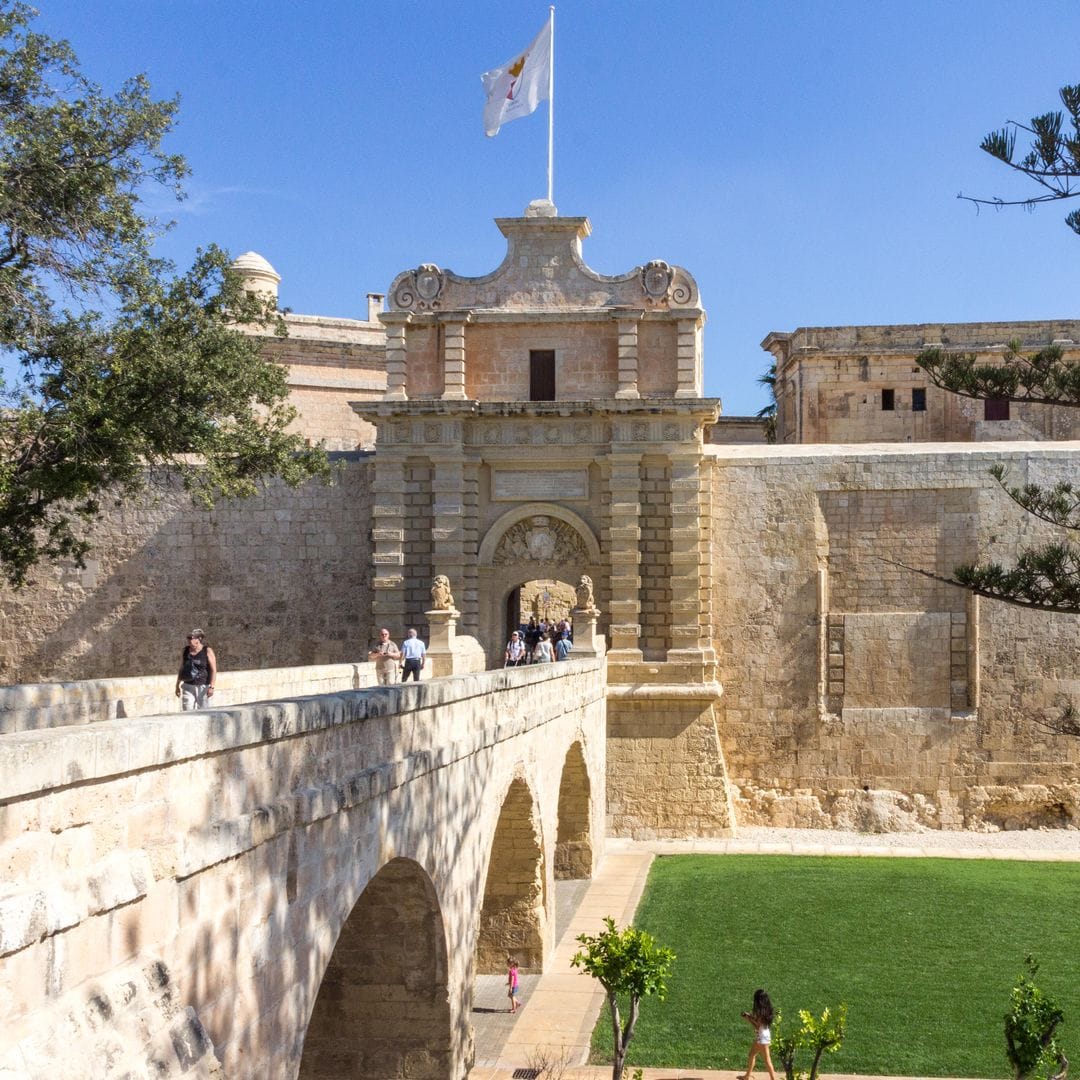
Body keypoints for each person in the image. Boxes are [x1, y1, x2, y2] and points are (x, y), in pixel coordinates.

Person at [739, 989, 778, 1080]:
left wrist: (748, 1019)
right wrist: (750, 1016)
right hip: (765, 1035)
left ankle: (772, 1079)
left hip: (762, 1038)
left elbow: (757, 1026)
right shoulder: (768, 1010)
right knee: (752, 1054)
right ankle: (747, 1076)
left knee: (767, 1060)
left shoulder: (760, 1011)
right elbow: (760, 1023)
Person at [175, 629, 216, 710]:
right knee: (187, 709)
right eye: (188, 638)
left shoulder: (207, 651)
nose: (189, 640)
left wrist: (212, 687)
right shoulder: (185, 651)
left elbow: (213, 670)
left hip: (203, 686)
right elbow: (181, 668)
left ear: (199, 639)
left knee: (204, 711)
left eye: (191, 638)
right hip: (188, 685)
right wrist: (177, 685)